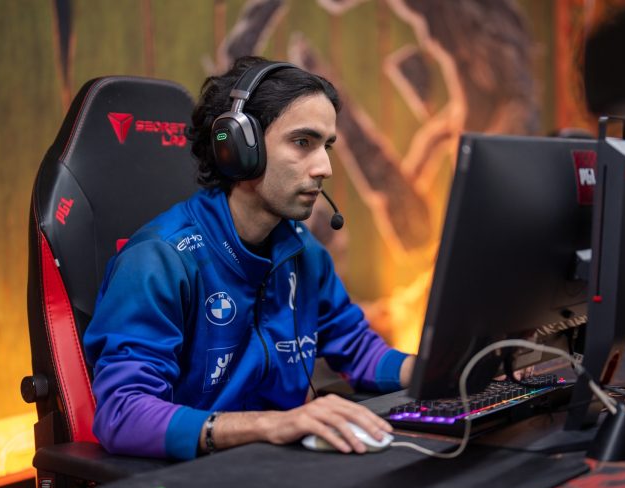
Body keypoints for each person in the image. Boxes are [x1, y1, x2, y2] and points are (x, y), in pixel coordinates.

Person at [83, 56, 415, 460]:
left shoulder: (304, 252)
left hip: (278, 467)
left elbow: (359, 351)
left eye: (325, 146)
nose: (325, 167)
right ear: (239, 149)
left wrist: (442, 371)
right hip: (188, 477)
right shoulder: (159, 260)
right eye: (303, 142)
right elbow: (122, 413)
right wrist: (271, 425)